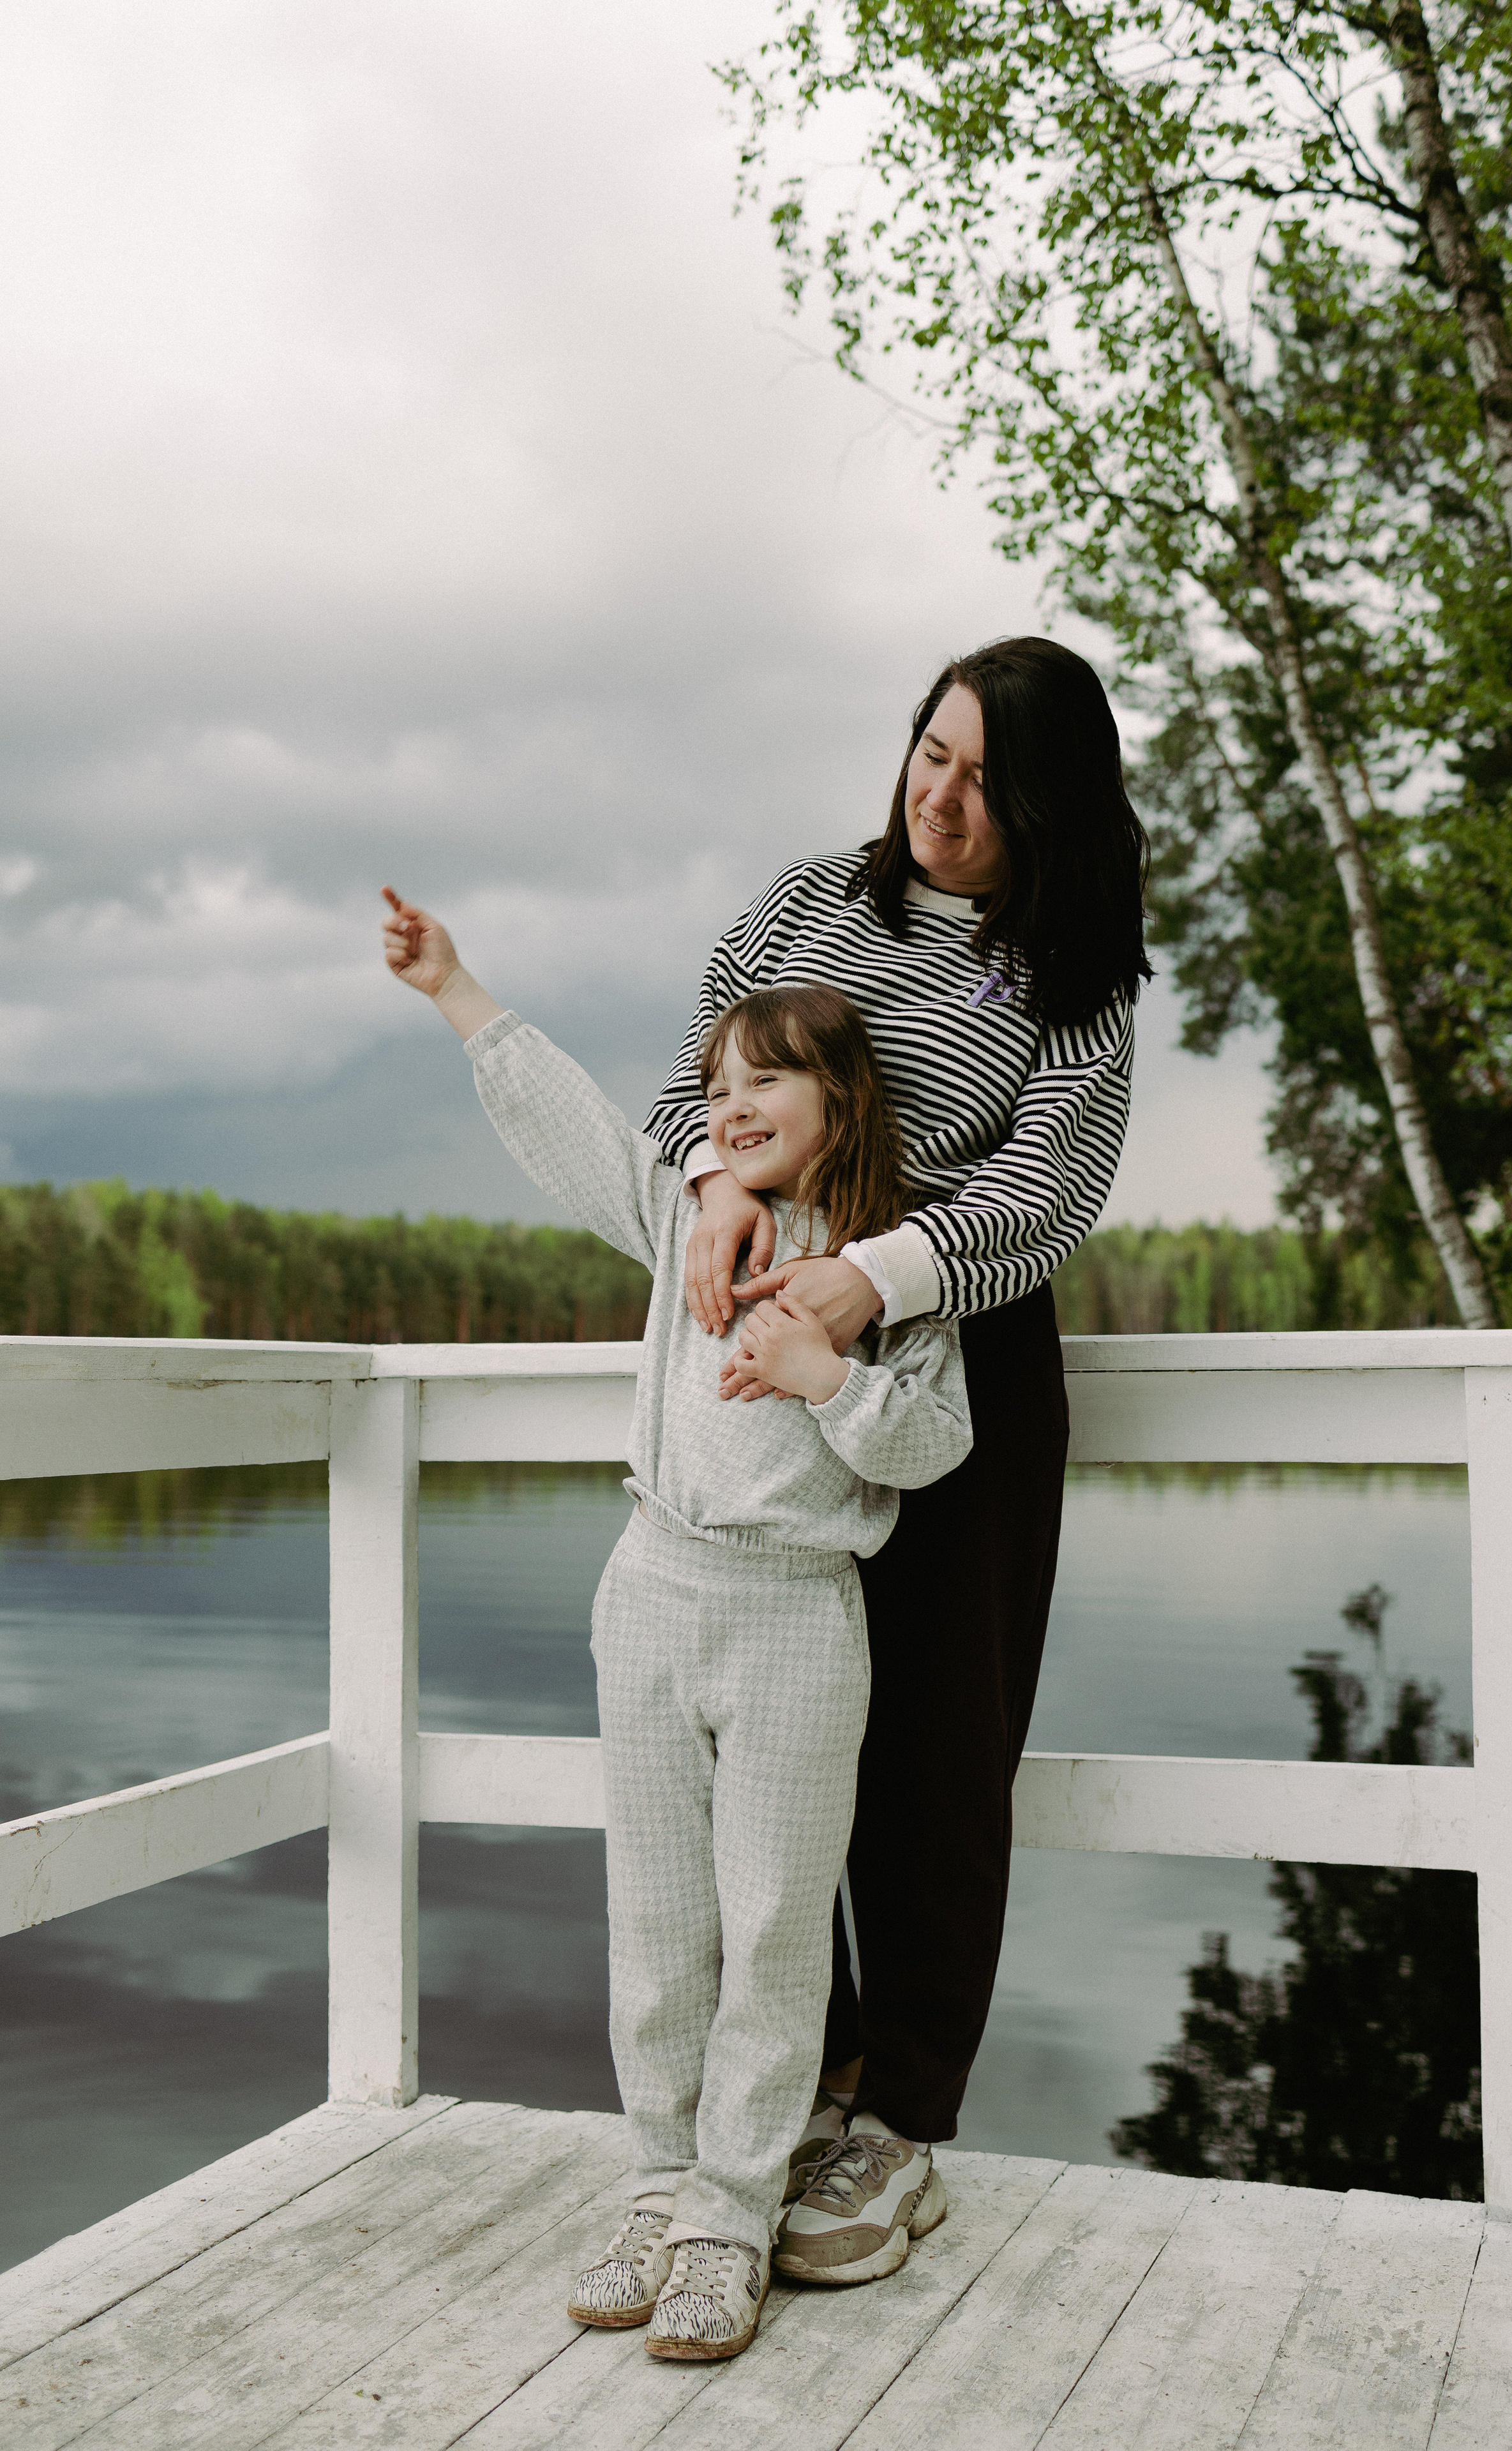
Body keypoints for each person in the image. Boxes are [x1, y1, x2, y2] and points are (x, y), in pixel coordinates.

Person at [381, 894, 971, 2360]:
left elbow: (935, 1444)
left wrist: (823, 1375)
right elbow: (572, 1123)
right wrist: (457, 986)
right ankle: (659, 2182)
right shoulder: (685, 1217)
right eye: (715, 1088)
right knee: (655, 1924)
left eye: (765, 1078)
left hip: (793, 1617)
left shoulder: (878, 1275)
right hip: (648, 1590)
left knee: (773, 1928)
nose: (731, 1104)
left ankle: (732, 2213)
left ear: (841, 1100)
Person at [643, 635, 1150, 2286]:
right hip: (763, 1350)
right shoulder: (806, 903)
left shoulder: (1070, 969)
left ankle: (901, 2123)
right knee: (781, 1742)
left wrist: (881, 1274)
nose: (944, 796)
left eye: (991, 777)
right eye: (932, 753)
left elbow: (1051, 1195)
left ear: (1052, 801)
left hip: (947, 1354)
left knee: (935, 1747)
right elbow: (684, 1084)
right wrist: (715, 1188)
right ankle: (805, 2073)